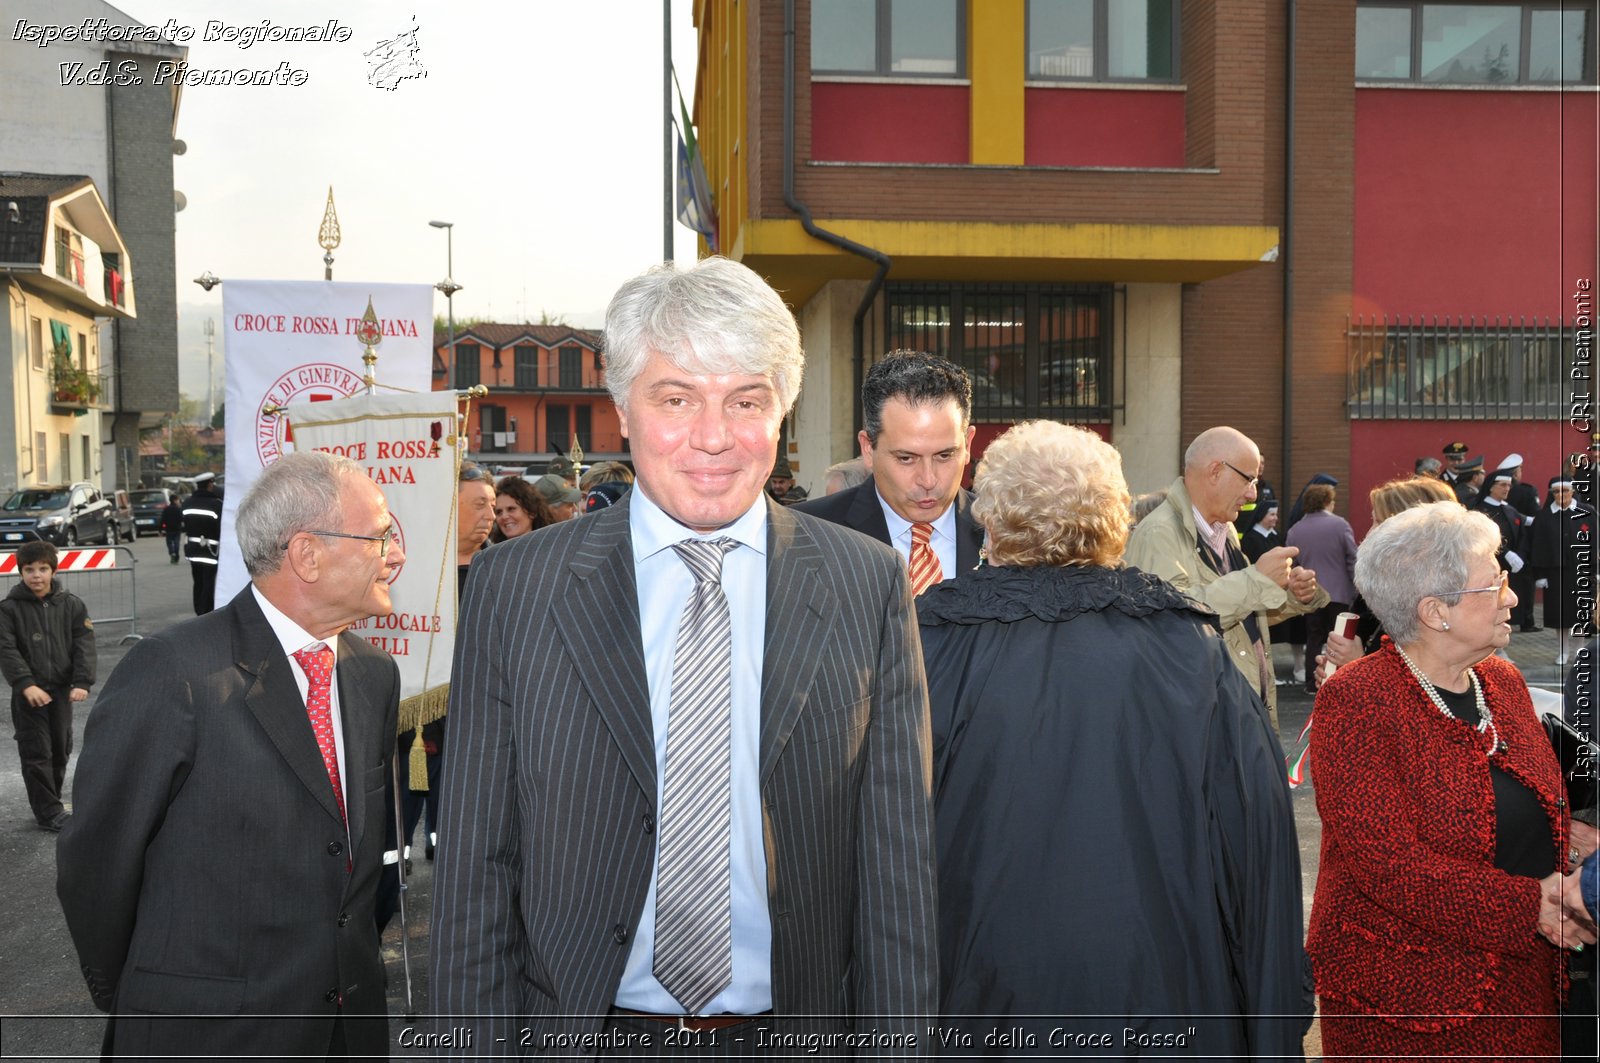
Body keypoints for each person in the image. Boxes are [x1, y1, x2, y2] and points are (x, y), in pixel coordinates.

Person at [430, 256, 936, 1049]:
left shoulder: (866, 581)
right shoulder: (515, 587)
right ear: (623, 409)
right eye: (676, 398)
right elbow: (475, 871)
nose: (712, 437)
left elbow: (898, 873)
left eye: (745, 400)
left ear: (783, 414)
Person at [919, 421, 1312, 1054]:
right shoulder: (1190, 646)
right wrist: (1271, 1020)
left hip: (975, 993)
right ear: (1113, 523)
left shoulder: (924, 643)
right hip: (1165, 996)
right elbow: (1258, 846)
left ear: (988, 522)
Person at [56, 451, 403, 1058]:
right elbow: (98, 864)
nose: (396, 554)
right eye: (380, 537)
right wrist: (145, 996)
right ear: (307, 554)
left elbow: (358, 870)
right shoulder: (173, 672)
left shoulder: (373, 674)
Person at [1307, 503, 1592, 1058]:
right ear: (1436, 611)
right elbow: (1387, 864)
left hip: (1527, 984)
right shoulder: (1357, 700)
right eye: (1495, 584)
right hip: (1410, 1003)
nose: (1512, 597)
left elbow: (1528, 799)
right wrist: (1528, 905)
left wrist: (1574, 846)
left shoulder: (1500, 679)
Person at [1124, 426, 1327, 728]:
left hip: (1236, 716)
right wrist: (1257, 579)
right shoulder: (1158, 534)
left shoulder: (1224, 529)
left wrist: (1291, 596)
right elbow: (1173, 621)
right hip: (1202, 723)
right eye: (1249, 479)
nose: (1253, 494)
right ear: (1216, 471)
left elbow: (1238, 615)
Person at [795, 349, 982, 591]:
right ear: (868, 449)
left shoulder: (1009, 535)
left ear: (968, 444)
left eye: (944, 455)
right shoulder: (803, 535)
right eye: (906, 458)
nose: (928, 480)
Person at [1317, 476, 1460, 674]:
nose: (1368, 533)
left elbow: (1428, 690)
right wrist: (1338, 675)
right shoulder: (1379, 594)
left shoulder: (1439, 605)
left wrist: (1359, 664)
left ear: (1413, 533)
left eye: (1378, 522)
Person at [0, 540, 94, 831]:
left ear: (53, 570)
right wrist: (25, 684)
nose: (36, 575)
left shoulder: (72, 605)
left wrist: (81, 681)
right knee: (36, 750)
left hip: (61, 690)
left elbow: (83, 644)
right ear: (20, 573)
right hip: (29, 694)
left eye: (43, 568)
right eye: (29, 570)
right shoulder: (8, 609)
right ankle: (48, 811)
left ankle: (50, 799)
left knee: (60, 746)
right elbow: (6, 648)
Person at [1285, 483, 1358, 695]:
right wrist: (1356, 587)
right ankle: (1340, 682)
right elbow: (1352, 558)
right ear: (1328, 502)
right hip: (1340, 593)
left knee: (1313, 638)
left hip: (1310, 594)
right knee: (1340, 640)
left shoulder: (1296, 530)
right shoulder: (1340, 525)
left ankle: (1312, 683)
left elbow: (1293, 564)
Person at [1532, 475, 1594, 664]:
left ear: (1573, 491)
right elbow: (1537, 545)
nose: (1561, 494)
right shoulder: (1544, 517)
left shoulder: (1587, 512)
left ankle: (1579, 649)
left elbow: (1596, 542)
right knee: (1560, 615)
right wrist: (1540, 574)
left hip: (1582, 572)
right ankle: (1563, 651)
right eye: (1556, 491)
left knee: (1580, 612)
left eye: (1565, 490)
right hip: (1555, 574)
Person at [1496, 454, 1542, 631]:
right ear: (1516, 473)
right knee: (1526, 583)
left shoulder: (1496, 490)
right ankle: (1527, 621)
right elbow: (1535, 516)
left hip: (1504, 544)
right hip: (1524, 544)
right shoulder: (1527, 491)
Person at [181, 471, 223, 614]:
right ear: (210, 484)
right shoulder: (216, 505)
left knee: (197, 582)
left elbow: (184, 525)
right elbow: (220, 528)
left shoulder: (187, 503)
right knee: (208, 583)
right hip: (210, 550)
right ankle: (207, 612)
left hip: (192, 549)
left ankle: (198, 610)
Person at [489, 474, 555, 544]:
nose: (504, 516)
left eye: (511, 509)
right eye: (499, 512)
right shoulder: (491, 553)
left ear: (532, 512)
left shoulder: (553, 548)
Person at [157, 493, 183, 564]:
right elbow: (182, 518)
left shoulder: (166, 509)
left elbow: (162, 520)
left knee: (169, 543)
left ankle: (172, 553)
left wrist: (160, 530)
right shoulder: (178, 509)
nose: (179, 501)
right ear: (175, 500)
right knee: (176, 543)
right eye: (178, 500)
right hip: (177, 529)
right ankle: (176, 555)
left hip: (168, 530)